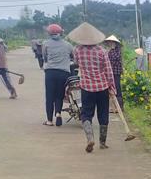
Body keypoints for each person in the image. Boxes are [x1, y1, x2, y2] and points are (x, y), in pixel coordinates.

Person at [68, 22, 116, 153]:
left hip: (86, 87)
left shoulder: (77, 50)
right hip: (102, 87)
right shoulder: (101, 51)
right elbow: (108, 70)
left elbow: (77, 63)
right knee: (103, 113)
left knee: (86, 114)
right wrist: (112, 85)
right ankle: (102, 142)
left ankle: (90, 138)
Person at [42, 23, 73, 127]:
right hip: (64, 73)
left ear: (49, 33)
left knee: (49, 96)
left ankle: (49, 120)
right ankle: (58, 113)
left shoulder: (45, 44)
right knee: (59, 95)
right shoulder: (68, 45)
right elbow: (73, 57)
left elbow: (45, 58)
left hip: (50, 72)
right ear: (61, 33)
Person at [104, 35, 124, 111]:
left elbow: (114, 59)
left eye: (111, 42)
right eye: (109, 42)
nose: (110, 44)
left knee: (117, 88)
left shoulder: (117, 51)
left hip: (116, 72)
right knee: (111, 88)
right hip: (111, 72)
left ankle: (120, 107)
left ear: (114, 43)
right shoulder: (111, 50)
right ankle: (114, 107)